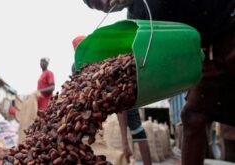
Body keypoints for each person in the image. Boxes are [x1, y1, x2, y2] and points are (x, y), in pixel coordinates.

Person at [82, 0, 235, 164]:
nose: (103, 4)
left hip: (229, 27)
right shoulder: (137, 19)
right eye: (95, 5)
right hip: (207, 50)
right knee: (192, 116)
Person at [72, 35, 152, 164]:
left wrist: (124, 141)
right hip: (99, 99)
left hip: (123, 95)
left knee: (136, 129)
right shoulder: (77, 67)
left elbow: (120, 104)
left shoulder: (102, 62)